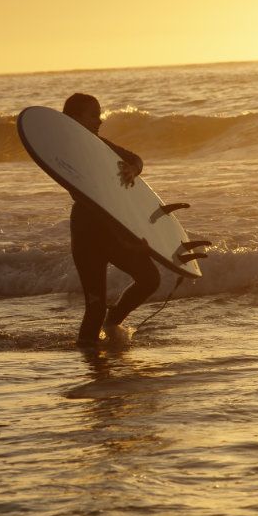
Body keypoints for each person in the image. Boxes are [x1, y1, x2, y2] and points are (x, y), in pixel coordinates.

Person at [62, 93, 160, 348]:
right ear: (74, 119)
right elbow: (91, 200)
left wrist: (132, 169)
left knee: (150, 279)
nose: (100, 119)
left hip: (111, 224)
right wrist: (125, 241)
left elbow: (136, 159)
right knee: (94, 306)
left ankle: (112, 322)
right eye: (93, 114)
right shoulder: (64, 153)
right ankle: (91, 363)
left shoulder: (99, 145)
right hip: (88, 230)